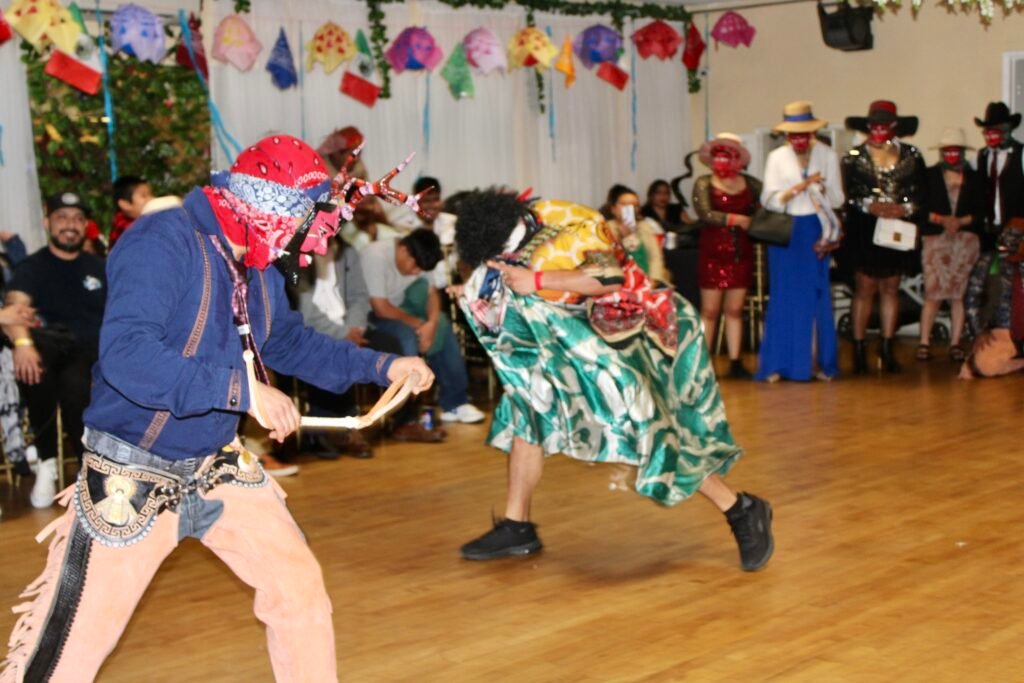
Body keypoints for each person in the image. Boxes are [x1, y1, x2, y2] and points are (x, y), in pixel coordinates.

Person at [0, 135, 434, 682]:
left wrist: (382, 367)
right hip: (131, 467)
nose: (309, 247)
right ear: (264, 208)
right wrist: (245, 392)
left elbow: (285, 343)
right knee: (71, 650)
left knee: (298, 593)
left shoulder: (256, 255)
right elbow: (128, 356)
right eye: (301, 226)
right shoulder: (160, 241)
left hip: (217, 463)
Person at [452, 190, 774, 572]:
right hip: (578, 330)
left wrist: (536, 278)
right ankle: (517, 525)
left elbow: (608, 278)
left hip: (643, 326)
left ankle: (741, 509)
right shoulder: (497, 240)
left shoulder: (573, 224)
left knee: (647, 427)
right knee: (528, 404)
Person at [5, 192, 108, 508]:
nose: (70, 226)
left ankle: (84, 468)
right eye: (62, 218)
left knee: (74, 377)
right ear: (47, 222)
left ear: (85, 226)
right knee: (36, 365)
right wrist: (22, 345)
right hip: (51, 353)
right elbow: (15, 309)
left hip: (97, 355)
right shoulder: (31, 267)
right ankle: (50, 463)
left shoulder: (101, 267)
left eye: (77, 219)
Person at [295, 237, 445, 452]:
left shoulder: (346, 251)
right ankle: (335, 430)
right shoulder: (298, 251)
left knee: (394, 345)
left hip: (352, 327)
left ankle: (403, 421)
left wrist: (355, 328)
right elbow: (304, 307)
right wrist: (342, 333)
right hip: (313, 329)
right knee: (328, 351)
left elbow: (359, 296)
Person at [756, 101, 844, 382]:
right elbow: (768, 199)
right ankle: (779, 365)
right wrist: (796, 190)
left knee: (815, 297)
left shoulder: (828, 155)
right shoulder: (776, 158)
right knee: (784, 296)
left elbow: (839, 198)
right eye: (794, 135)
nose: (799, 140)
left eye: (804, 134)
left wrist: (819, 188)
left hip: (816, 231)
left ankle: (818, 363)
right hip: (787, 232)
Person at [361, 230, 485, 424]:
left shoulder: (422, 255)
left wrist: (432, 324)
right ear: (403, 249)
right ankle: (407, 414)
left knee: (443, 324)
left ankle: (454, 402)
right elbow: (380, 308)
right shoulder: (375, 255)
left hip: (399, 310)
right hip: (368, 316)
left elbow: (431, 292)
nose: (416, 272)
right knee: (407, 337)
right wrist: (421, 326)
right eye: (415, 266)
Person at [841, 100, 928, 374]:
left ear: (894, 126)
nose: (878, 130)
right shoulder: (854, 156)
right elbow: (846, 194)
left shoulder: (911, 155)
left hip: (898, 227)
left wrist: (905, 208)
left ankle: (888, 346)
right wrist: (869, 206)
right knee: (864, 287)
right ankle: (858, 348)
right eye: (873, 125)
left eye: (883, 124)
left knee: (891, 287)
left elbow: (922, 193)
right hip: (865, 228)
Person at [692, 134, 761, 379]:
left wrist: (754, 222)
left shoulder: (751, 184)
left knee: (735, 309)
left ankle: (735, 361)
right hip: (713, 251)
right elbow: (704, 213)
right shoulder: (703, 183)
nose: (721, 159)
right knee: (709, 311)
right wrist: (735, 219)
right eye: (717, 154)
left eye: (726, 154)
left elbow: (762, 212)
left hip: (741, 252)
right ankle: (701, 364)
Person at [918, 128, 985, 363]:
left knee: (959, 294)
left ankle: (955, 343)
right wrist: (942, 220)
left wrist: (961, 221)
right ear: (942, 152)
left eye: (956, 150)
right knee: (933, 293)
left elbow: (981, 211)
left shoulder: (975, 178)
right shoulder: (929, 175)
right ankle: (924, 342)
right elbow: (919, 208)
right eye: (948, 150)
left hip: (965, 242)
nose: (952, 155)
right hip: (936, 240)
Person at [975, 102, 1024, 256]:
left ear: (1007, 129)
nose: (992, 135)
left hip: (1016, 226)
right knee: (989, 274)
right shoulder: (983, 155)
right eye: (988, 131)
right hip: (988, 227)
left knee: (1014, 274)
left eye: (998, 129)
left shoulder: (1020, 153)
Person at [603, 184, 668, 283]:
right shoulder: (606, 229)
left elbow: (655, 258)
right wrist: (625, 238)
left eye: (635, 205)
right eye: (624, 204)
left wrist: (653, 280)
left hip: (647, 281)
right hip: (619, 283)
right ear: (613, 208)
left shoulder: (644, 227)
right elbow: (609, 261)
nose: (630, 208)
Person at [109, 175, 154, 249]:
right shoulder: (125, 227)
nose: (151, 199)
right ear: (125, 204)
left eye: (151, 194)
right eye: (144, 196)